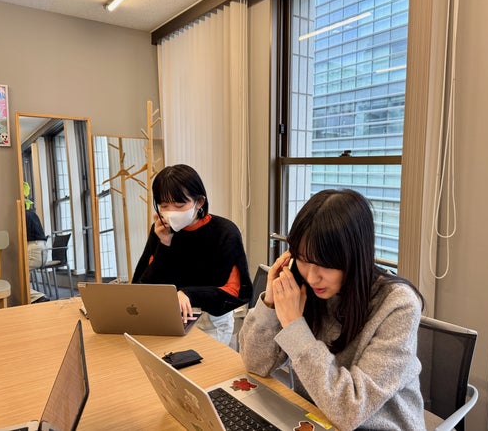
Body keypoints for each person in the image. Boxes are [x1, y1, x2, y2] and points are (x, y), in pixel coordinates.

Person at [238, 189, 425, 430]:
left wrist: (295, 327)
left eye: (325, 265)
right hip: (316, 419)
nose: (312, 277)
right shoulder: (305, 289)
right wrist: (271, 304)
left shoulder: (398, 305)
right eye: (303, 260)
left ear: (354, 257)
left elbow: (350, 410)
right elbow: (255, 364)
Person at [132, 164, 252, 345]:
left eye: (179, 205)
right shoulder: (161, 230)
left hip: (210, 323)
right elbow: (142, 288)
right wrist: (164, 245)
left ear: (199, 202)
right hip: (167, 319)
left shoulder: (225, 232)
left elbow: (235, 292)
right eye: (164, 206)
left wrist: (189, 294)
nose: (171, 212)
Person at [25, 208, 49, 303]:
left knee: (17, 276)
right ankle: (36, 298)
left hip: (33, 247)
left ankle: (38, 297)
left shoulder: (23, 215)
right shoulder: (31, 214)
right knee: (21, 275)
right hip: (42, 248)